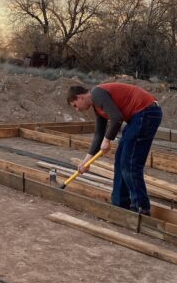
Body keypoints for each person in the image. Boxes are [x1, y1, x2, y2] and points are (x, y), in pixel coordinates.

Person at [66, 83, 162, 215]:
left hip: (146, 112)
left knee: (129, 163)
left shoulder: (96, 94)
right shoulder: (97, 107)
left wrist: (107, 140)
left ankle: (141, 208)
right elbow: (99, 135)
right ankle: (120, 204)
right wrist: (86, 161)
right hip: (138, 116)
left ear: (79, 97)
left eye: (75, 105)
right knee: (120, 159)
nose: (77, 109)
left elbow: (116, 118)